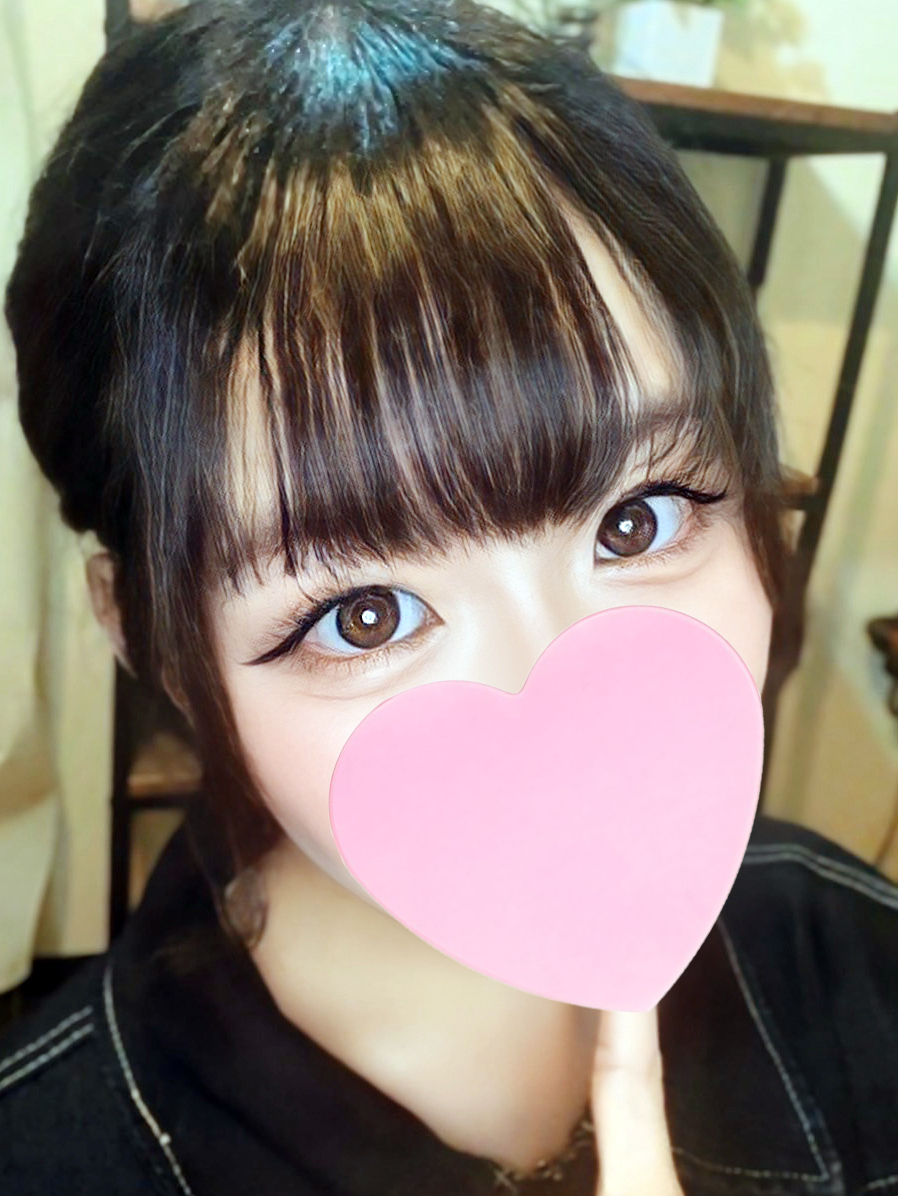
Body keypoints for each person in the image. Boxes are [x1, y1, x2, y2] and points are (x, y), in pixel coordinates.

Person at [2, 0, 898, 1192]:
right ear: (153, 640)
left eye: (638, 518)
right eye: (363, 613)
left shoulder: (852, 952)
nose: (565, 702)